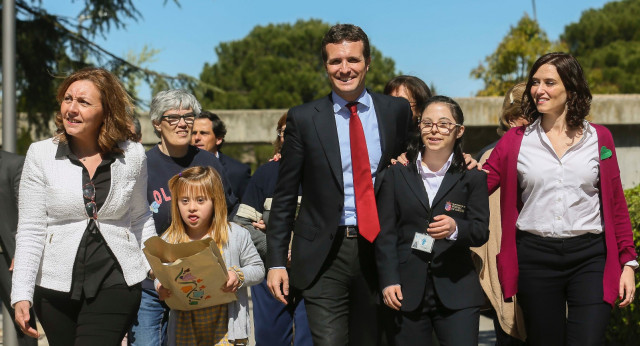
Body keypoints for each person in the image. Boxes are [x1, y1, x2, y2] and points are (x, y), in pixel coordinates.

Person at [266, 24, 413, 345]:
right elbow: (285, 195)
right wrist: (276, 261)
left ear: (368, 62)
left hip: (379, 250)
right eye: (335, 61)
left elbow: (418, 161)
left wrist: (463, 161)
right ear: (325, 66)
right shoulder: (304, 119)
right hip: (323, 254)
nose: (345, 69)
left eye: (353, 60)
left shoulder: (395, 112)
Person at [483, 52, 638, 345]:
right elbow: (478, 185)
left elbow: (616, 205)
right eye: (535, 82)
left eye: (549, 82)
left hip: (590, 258)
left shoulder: (600, 139)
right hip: (535, 259)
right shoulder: (515, 140)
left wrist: (628, 263)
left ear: (572, 88)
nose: (539, 90)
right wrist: (442, 165)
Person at [11, 67, 156, 345]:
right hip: (54, 286)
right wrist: (21, 293)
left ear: (107, 110)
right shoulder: (40, 154)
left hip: (117, 281)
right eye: (68, 99)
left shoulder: (133, 154)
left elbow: (139, 218)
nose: (71, 109)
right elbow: (30, 228)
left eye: (83, 102)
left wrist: (159, 271)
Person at [376, 95, 489, 345]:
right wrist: (389, 280)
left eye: (444, 124)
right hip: (405, 290)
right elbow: (386, 234)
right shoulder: (396, 174)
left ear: (459, 131)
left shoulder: (473, 176)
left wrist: (455, 228)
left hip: (457, 289)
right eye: (427, 123)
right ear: (419, 127)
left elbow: (481, 230)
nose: (434, 130)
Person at [129, 89, 239, 346]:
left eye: (188, 117)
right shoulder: (143, 165)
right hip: (152, 283)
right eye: (173, 118)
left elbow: (227, 212)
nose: (182, 123)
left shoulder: (208, 162)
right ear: (157, 123)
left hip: (200, 282)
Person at [155, 166, 263, 345]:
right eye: (184, 200)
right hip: (185, 326)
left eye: (200, 200)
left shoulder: (235, 234)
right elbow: (162, 273)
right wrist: (160, 286)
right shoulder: (169, 239)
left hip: (225, 326)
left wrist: (238, 275)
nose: (192, 208)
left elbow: (258, 269)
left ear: (215, 201)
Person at [234, 113, 313, 346]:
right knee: (270, 338)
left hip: (313, 272)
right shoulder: (266, 174)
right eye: (285, 133)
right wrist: (275, 248)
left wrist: (294, 248)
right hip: (271, 270)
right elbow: (242, 224)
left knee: (310, 339)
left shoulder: (324, 175)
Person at [471, 83, 528, 345]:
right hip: (509, 269)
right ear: (512, 118)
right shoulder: (492, 156)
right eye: (532, 114)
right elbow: (490, 229)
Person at [0, 150, 37, 346]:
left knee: (23, 319)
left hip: (7, 257)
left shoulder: (14, 163)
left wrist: (19, 252)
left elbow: (26, 211)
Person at [192, 111, 251, 201]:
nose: (197, 138)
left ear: (218, 139)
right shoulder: (178, 165)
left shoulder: (238, 172)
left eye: (203, 133)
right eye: (193, 133)